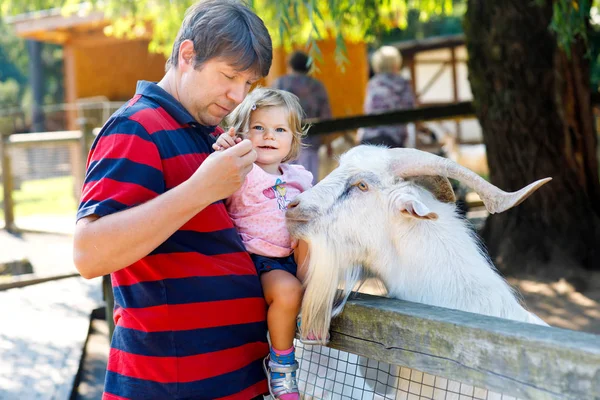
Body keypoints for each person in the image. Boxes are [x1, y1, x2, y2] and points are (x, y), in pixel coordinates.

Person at [72, 1, 273, 399]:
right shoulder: (137, 127)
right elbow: (88, 254)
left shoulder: (208, 133)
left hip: (232, 379)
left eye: (249, 84)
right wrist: (201, 189)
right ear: (187, 54)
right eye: (229, 76)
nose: (238, 95)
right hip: (170, 385)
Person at [212, 87, 312, 400]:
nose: (269, 136)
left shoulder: (299, 176)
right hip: (261, 260)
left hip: (296, 258)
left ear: (292, 140)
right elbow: (212, 179)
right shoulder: (242, 170)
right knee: (287, 290)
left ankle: (313, 310)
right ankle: (282, 365)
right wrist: (223, 151)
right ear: (240, 133)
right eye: (259, 128)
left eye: (280, 130)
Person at [272, 50, 332, 181]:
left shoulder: (280, 83)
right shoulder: (317, 86)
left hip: (284, 140)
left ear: (290, 65)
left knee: (283, 182)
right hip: (310, 141)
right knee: (308, 182)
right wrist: (328, 143)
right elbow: (326, 115)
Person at [357, 45, 416, 148]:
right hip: (394, 138)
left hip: (369, 137)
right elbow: (410, 109)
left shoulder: (373, 83)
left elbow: (368, 109)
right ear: (396, 63)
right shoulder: (402, 83)